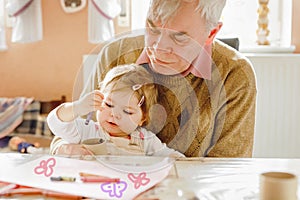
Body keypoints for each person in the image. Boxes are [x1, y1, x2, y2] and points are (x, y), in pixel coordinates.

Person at [50, 0, 256, 157]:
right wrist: (64, 150)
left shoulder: (235, 75)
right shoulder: (115, 54)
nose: (157, 48)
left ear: (211, 33)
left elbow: (229, 172)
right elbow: (67, 134)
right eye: (152, 28)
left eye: (179, 37)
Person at [47, 64, 184, 157]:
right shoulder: (88, 130)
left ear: (143, 118)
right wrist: (77, 107)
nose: (114, 115)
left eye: (128, 112)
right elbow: (55, 122)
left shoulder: (146, 139)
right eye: (108, 105)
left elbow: (172, 158)